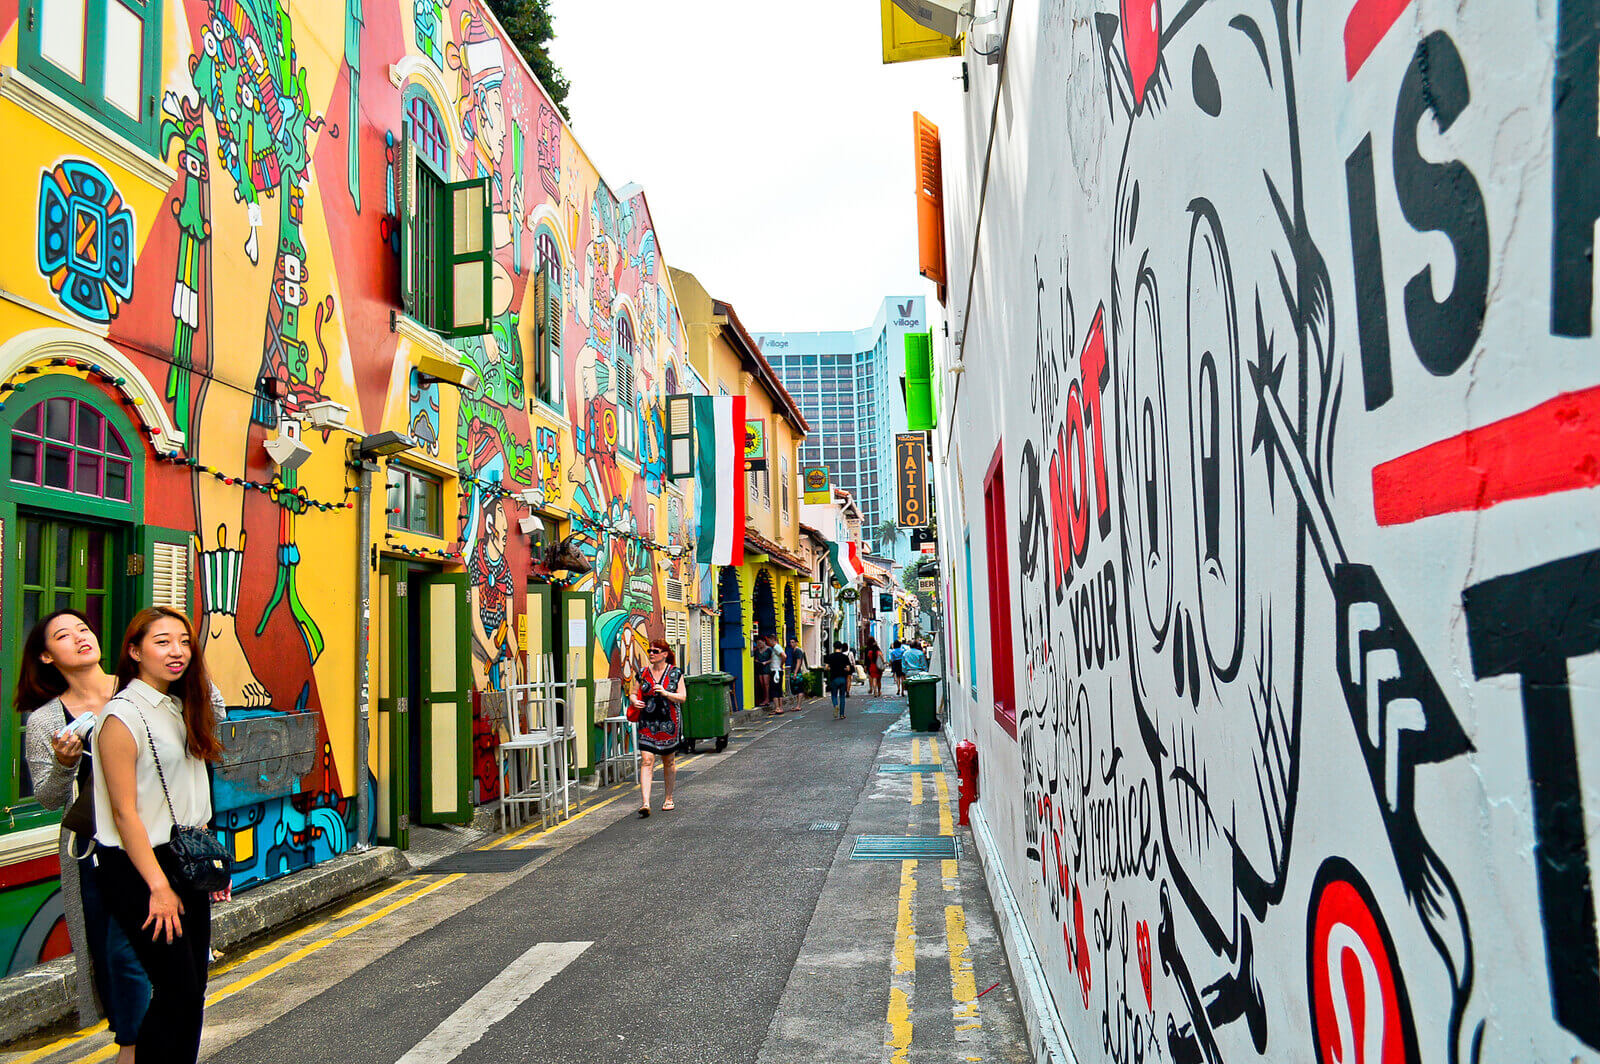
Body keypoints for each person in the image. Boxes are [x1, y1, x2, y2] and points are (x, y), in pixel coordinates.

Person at [93, 607, 227, 1064]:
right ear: (134, 651)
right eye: (163, 642)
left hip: (185, 855)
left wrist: (209, 865)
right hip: (140, 866)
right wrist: (158, 886)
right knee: (177, 990)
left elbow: (191, 795)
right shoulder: (122, 716)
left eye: (185, 642)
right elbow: (124, 813)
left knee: (193, 991)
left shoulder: (179, 706)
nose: (177, 651)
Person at [19, 611, 150, 1062]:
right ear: (46, 656)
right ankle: (131, 1042)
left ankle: (136, 1046)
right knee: (112, 953)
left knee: (152, 946)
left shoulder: (139, 689)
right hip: (92, 853)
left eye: (83, 629)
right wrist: (64, 762)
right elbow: (50, 800)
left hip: (156, 841)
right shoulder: (45, 721)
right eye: (62, 636)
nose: (79, 638)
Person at [631, 640, 686, 817]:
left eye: (655, 651)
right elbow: (632, 692)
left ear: (664, 654)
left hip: (669, 723)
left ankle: (668, 797)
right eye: (650, 651)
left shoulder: (675, 673)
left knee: (668, 760)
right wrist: (634, 701)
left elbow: (682, 697)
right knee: (646, 760)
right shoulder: (642, 673)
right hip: (647, 723)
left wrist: (666, 693)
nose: (651, 653)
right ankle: (645, 802)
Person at [824, 641, 853, 719]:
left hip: (834, 678)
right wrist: (843, 669)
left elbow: (826, 667)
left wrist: (831, 668)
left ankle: (835, 705)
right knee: (842, 696)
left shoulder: (830, 656)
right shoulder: (844, 657)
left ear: (834, 647)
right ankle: (842, 714)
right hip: (842, 678)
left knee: (834, 695)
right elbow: (848, 668)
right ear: (841, 648)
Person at [783, 637, 808, 712]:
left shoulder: (798, 651)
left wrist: (795, 673)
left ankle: (799, 705)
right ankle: (797, 705)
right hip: (794, 671)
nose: (791, 644)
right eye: (791, 642)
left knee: (799, 689)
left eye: (793, 642)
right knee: (795, 690)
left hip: (797, 672)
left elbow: (799, 662)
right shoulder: (794, 651)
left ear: (796, 642)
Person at [752, 635, 774, 711]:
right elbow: (754, 658)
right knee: (761, 684)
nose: (759, 645)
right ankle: (764, 698)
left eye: (760, 643)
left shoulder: (769, 650)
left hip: (766, 668)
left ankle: (767, 699)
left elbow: (773, 658)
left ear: (764, 642)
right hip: (759, 668)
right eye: (758, 643)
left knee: (766, 684)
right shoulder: (757, 650)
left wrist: (766, 662)